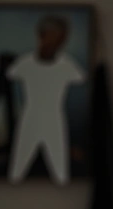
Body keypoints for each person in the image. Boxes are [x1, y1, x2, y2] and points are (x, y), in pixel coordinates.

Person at [7, 14, 85, 185]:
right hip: (30, 119)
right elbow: (10, 73)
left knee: (60, 174)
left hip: (54, 121)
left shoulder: (66, 65)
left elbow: (81, 78)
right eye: (52, 37)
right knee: (17, 171)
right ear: (41, 36)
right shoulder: (25, 63)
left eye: (60, 39)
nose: (56, 43)